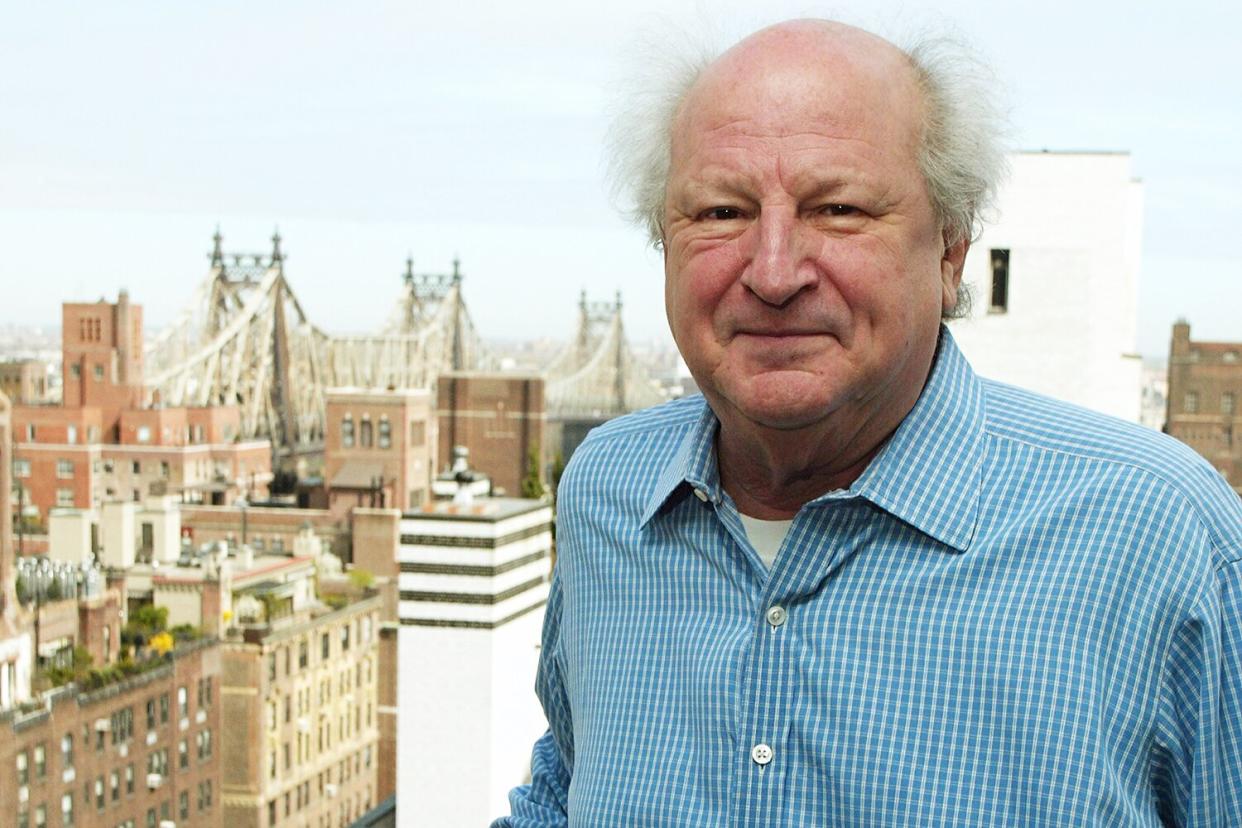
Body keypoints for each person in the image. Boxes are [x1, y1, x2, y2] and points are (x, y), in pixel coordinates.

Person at [496, 18, 1242, 827]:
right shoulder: (608, 492)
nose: (774, 271)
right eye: (719, 212)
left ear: (952, 250)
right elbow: (566, 788)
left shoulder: (1158, 535)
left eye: (839, 208)